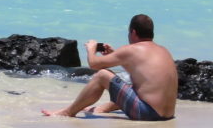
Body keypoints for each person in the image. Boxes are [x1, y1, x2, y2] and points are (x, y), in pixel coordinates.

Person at [41, 14, 177, 120]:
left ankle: (68, 112)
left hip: (146, 113)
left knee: (102, 75)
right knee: (134, 85)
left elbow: (94, 64)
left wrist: (91, 49)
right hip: (167, 114)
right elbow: (140, 73)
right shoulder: (164, 51)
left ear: (133, 32)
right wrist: (114, 54)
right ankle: (100, 109)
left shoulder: (132, 49)